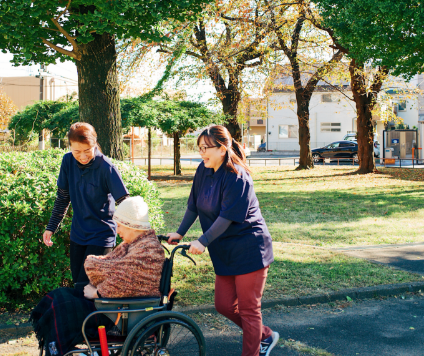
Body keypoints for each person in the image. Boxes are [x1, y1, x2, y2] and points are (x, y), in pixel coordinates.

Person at [166, 125, 278, 356]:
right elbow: (193, 205)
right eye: (199, 149)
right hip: (224, 249)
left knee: (249, 310)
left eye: (206, 148)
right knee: (224, 305)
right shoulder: (203, 169)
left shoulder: (238, 176)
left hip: (249, 249)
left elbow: (227, 216)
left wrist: (203, 240)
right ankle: (265, 335)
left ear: (223, 148)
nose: (202, 153)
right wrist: (180, 232)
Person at [31, 196, 165, 356]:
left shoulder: (148, 251)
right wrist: (98, 266)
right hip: (115, 306)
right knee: (59, 295)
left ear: (133, 226)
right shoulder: (134, 244)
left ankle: (57, 350)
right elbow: (114, 267)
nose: (118, 231)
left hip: (120, 314)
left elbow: (127, 283)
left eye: (120, 226)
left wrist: (98, 292)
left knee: (63, 307)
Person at [43, 122, 130, 292]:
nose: (82, 156)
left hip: (101, 235)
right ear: (70, 148)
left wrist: (133, 234)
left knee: (89, 288)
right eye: (77, 151)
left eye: (87, 150)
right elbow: (63, 197)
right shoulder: (67, 161)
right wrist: (51, 227)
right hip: (78, 234)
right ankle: (85, 319)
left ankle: (98, 319)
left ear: (95, 144)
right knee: (78, 286)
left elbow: (125, 201)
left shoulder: (106, 167)